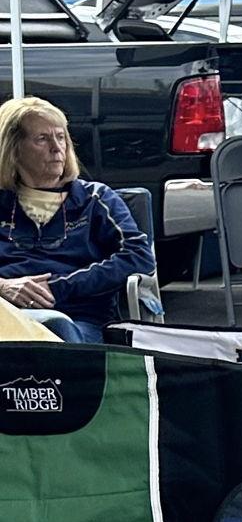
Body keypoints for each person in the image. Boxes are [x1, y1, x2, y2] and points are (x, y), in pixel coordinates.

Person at [0, 97, 151, 342]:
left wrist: (58, 287)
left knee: (56, 329)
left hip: (77, 319)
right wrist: (4, 287)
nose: (57, 148)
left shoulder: (95, 199)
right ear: (13, 149)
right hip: (7, 314)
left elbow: (138, 256)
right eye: (42, 139)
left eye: (61, 137)